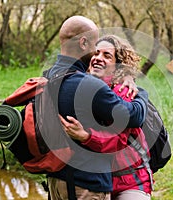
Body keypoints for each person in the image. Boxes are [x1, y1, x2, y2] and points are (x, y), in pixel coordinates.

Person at [46, 16, 148, 200]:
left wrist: (139, 91)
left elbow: (122, 135)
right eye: (96, 51)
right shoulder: (80, 82)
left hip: (127, 180)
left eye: (107, 55)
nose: (97, 57)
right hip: (94, 181)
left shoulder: (123, 90)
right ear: (83, 43)